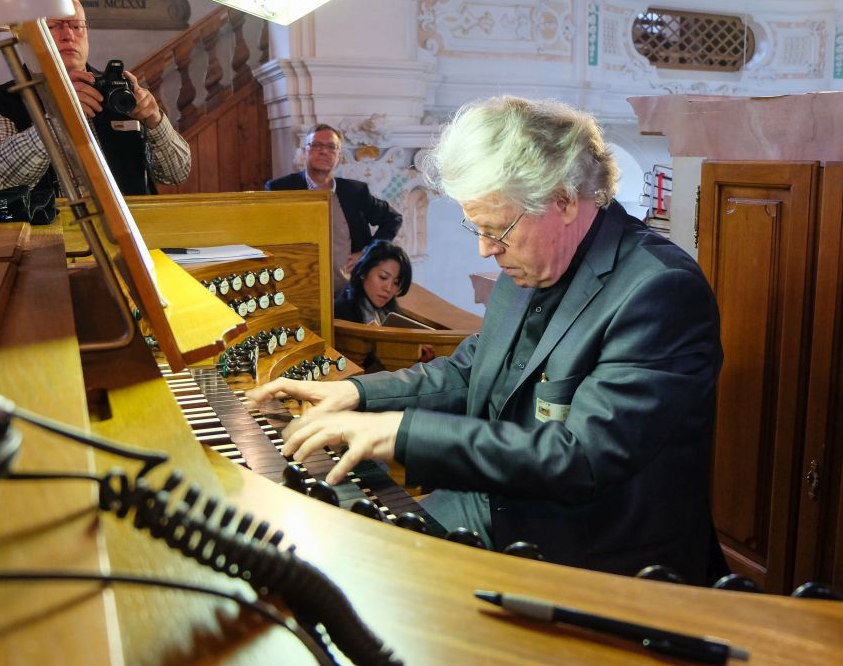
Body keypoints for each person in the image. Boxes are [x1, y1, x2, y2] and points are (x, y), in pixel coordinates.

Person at [248, 96, 725, 584]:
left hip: (589, 551)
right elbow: (472, 369)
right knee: (327, 552)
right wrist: (356, 393)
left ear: (563, 199)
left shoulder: (660, 290)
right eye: (477, 228)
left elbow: (581, 457)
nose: (485, 249)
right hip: (495, 500)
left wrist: (402, 432)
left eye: (498, 230)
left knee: (362, 581)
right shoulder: (529, 264)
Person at [0, 0, 191, 197]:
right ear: (25, 38)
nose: (68, 35)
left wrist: (155, 121)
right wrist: (60, 119)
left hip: (133, 230)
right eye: (53, 26)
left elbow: (176, 173)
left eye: (76, 25)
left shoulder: (118, 93)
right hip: (50, 234)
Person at [265, 124, 402, 294]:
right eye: (316, 145)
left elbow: (393, 219)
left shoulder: (355, 192)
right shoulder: (280, 189)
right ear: (305, 152)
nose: (324, 151)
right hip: (299, 290)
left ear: (339, 156)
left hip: (349, 293)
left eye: (331, 147)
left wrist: (368, 253)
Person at [333, 240, 412, 325]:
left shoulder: (391, 314)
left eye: (396, 282)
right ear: (363, 272)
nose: (388, 288)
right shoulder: (339, 314)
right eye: (383, 277)